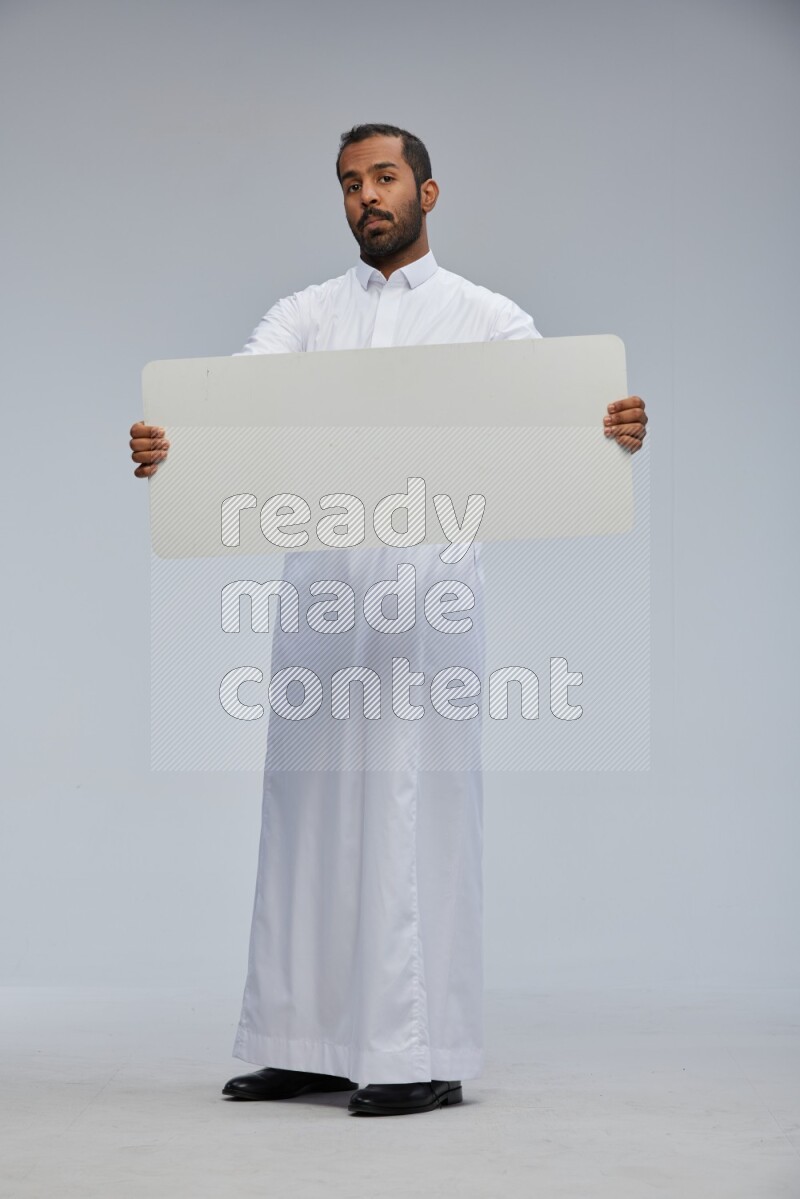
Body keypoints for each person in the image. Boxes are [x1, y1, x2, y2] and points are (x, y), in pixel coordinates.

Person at [129, 123, 648, 1117]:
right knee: (305, 810)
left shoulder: (484, 316)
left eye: (382, 177)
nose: (364, 196)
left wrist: (608, 426)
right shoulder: (307, 313)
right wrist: (173, 443)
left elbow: (559, 412)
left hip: (426, 597)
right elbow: (233, 403)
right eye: (347, 183)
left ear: (427, 191)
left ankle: (420, 1050)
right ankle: (302, 1039)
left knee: (413, 811)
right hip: (321, 595)